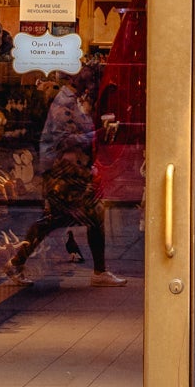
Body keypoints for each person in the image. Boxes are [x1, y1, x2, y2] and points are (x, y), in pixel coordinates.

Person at [12, 70, 124, 286]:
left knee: (64, 219)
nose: (92, 83)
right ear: (75, 79)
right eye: (89, 79)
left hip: (70, 172)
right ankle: (16, 262)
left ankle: (17, 262)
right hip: (63, 173)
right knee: (76, 217)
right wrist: (97, 135)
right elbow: (64, 140)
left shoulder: (72, 100)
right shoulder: (64, 100)